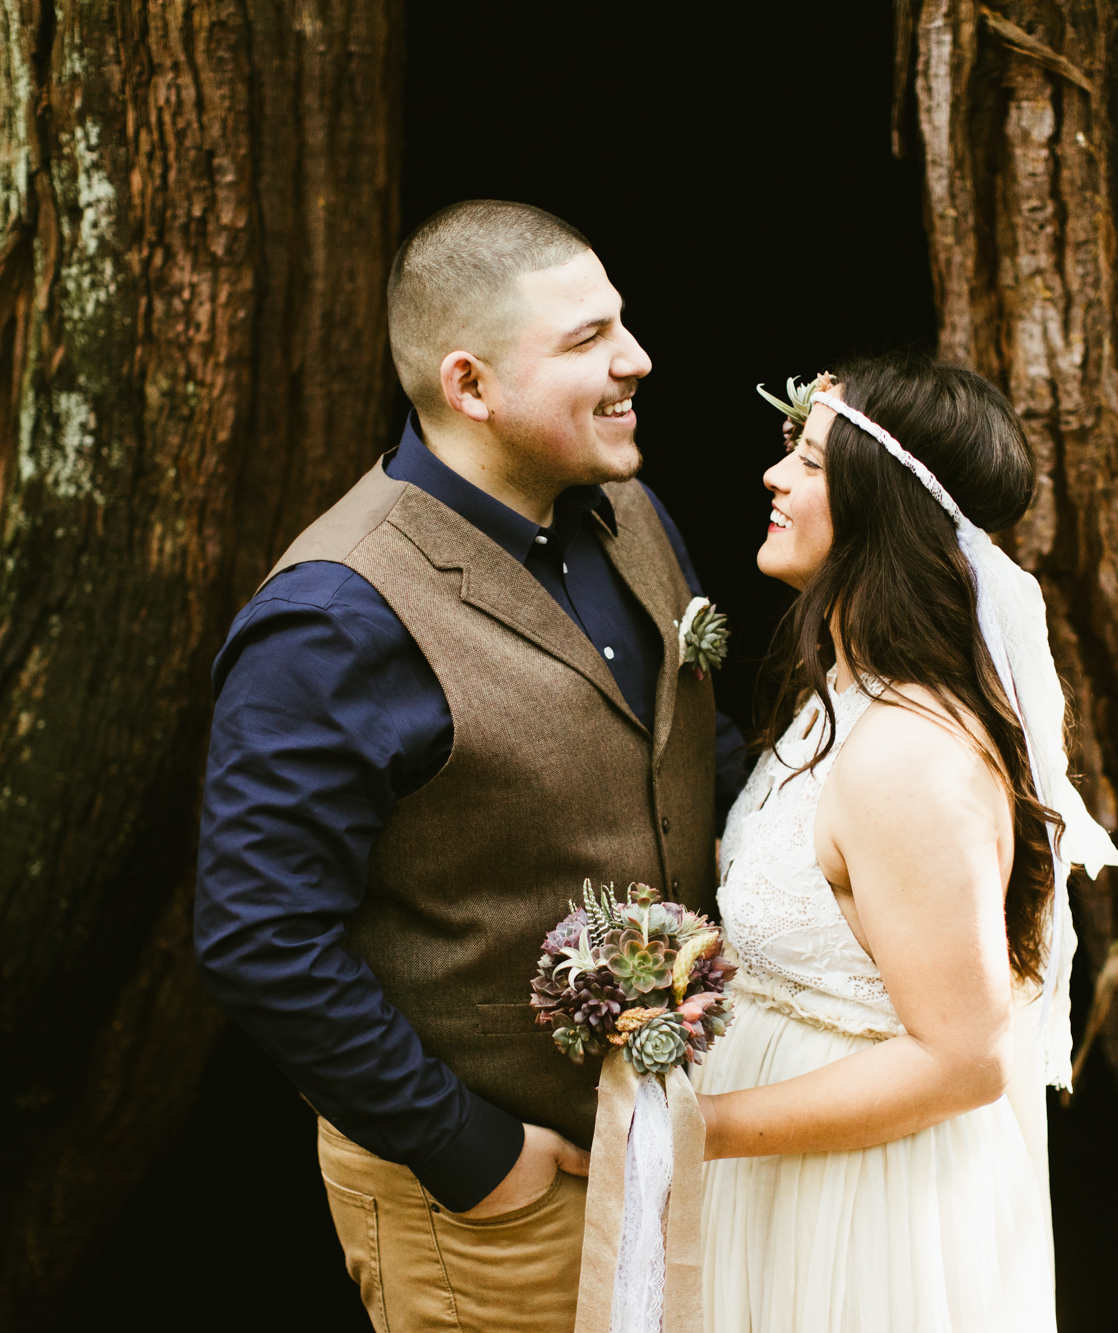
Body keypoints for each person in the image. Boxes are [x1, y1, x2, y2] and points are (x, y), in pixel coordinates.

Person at [195, 200, 745, 1333]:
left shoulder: (630, 512)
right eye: (586, 339)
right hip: (499, 1213)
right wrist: (474, 1155)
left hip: (681, 1158)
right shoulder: (335, 615)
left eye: (622, 324)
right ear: (470, 385)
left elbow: (700, 753)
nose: (635, 359)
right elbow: (259, 934)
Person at [696, 354, 1118, 1332]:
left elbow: (962, 1057)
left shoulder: (906, 757)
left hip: (862, 1213)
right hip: (782, 1185)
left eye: (806, 459)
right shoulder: (843, 696)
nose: (774, 477)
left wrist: (694, 1131)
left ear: (875, 503)